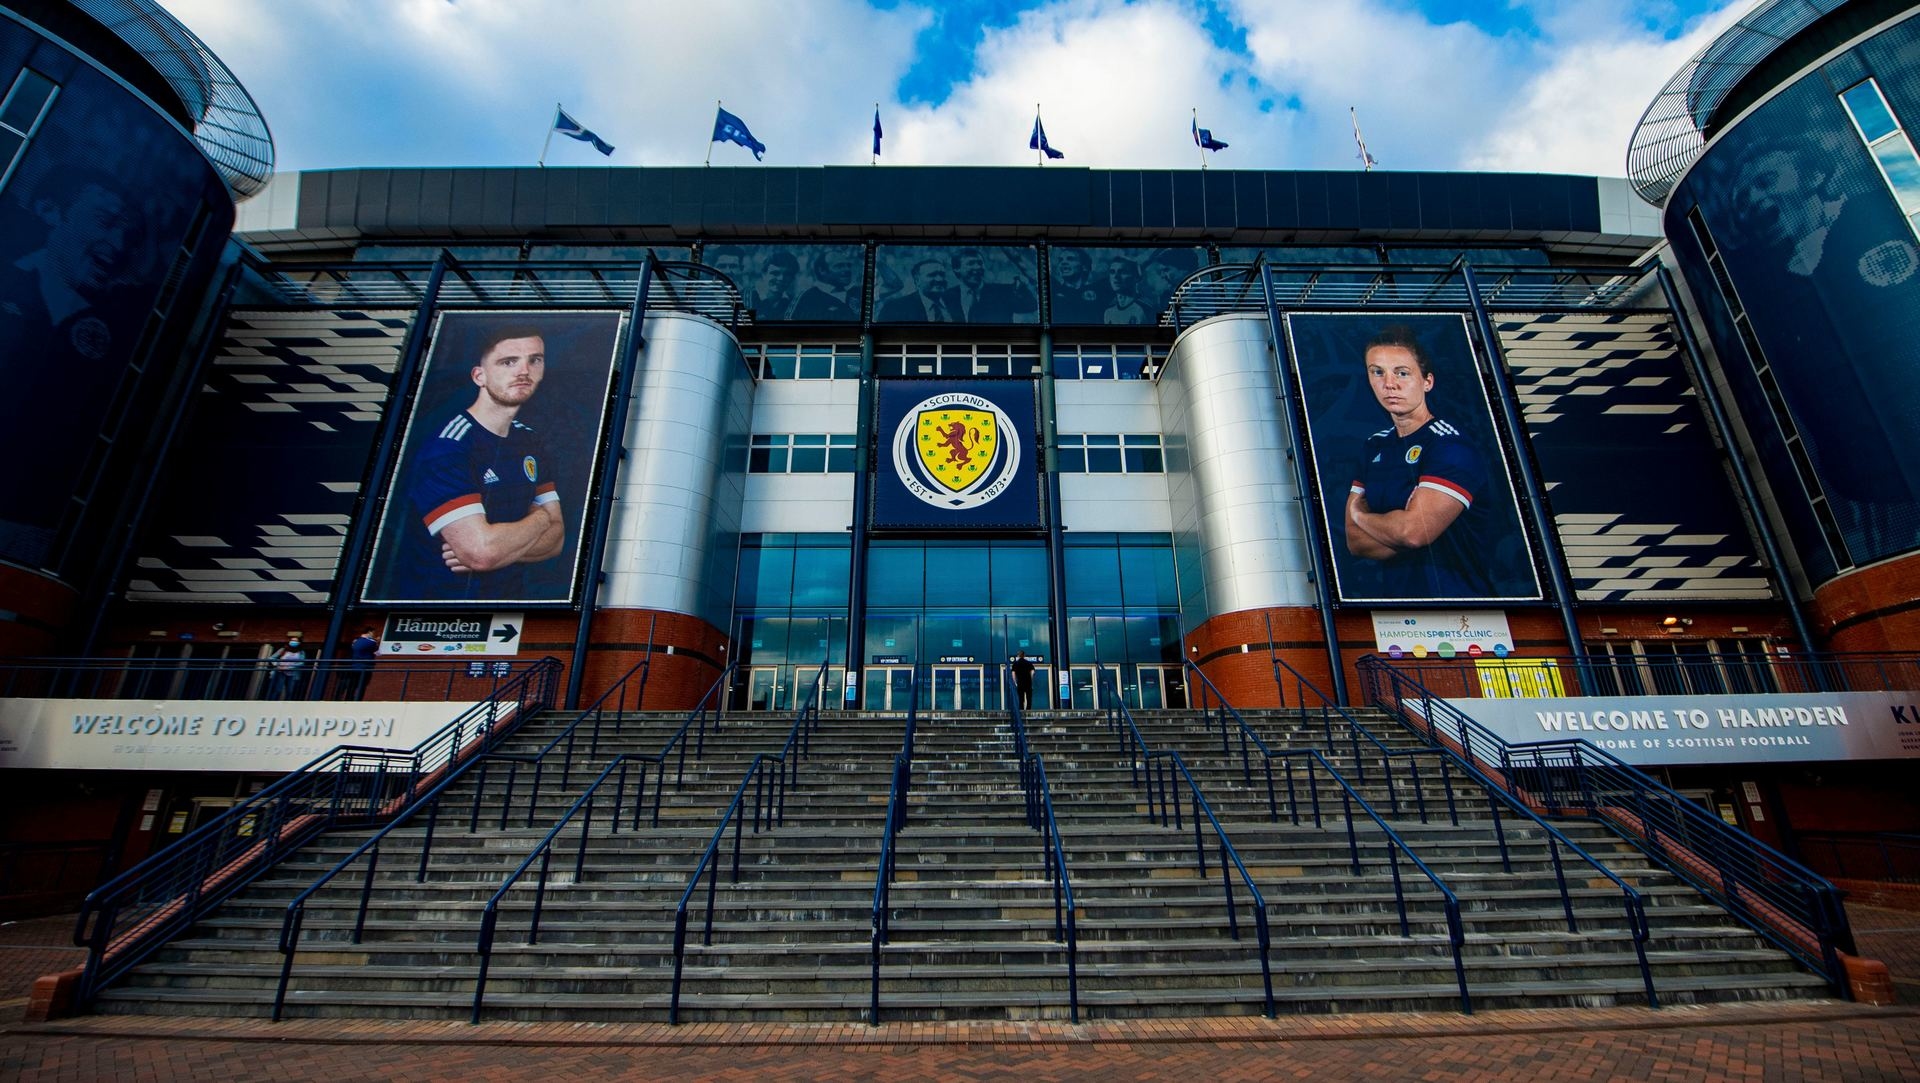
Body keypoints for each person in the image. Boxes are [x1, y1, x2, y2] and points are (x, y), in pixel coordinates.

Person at [0, 166, 147, 562]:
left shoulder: (126, 329)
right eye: (105, 222)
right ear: (51, 211)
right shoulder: (6, 280)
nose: (116, 245)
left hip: (36, 528)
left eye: (128, 236)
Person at [388, 324, 566, 600]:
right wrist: (541, 519)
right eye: (508, 362)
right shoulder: (449, 447)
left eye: (535, 360)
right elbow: (481, 553)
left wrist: (499, 550)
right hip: (437, 611)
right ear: (479, 375)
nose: (524, 371)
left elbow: (556, 541)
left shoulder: (529, 441)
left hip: (509, 603)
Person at [1342, 324, 1502, 598]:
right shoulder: (1374, 445)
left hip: (1465, 609)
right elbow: (1355, 541)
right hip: (1399, 613)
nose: (1389, 384)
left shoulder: (1449, 445)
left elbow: (1414, 532)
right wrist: (1398, 525)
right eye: (1377, 372)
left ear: (1427, 381)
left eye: (1402, 373)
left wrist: (1362, 515)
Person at [948, 248, 1036, 323]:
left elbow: (1031, 306)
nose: (977, 267)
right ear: (956, 268)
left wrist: (1022, 289)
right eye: (971, 263)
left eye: (980, 263)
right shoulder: (947, 297)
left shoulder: (1003, 292)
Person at [877, 259, 958, 322]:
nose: (939, 279)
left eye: (942, 275)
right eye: (932, 275)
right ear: (917, 280)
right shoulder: (895, 308)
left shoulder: (956, 303)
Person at [790, 248, 858, 321]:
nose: (847, 269)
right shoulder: (806, 297)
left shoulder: (857, 293)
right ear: (822, 270)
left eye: (848, 265)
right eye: (839, 266)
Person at [1101, 258, 1149, 325]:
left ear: (1136, 278)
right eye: (1112, 272)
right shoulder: (1108, 312)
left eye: (1123, 272)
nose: (1116, 276)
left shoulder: (1145, 310)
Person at [752, 251, 798, 320]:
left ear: (792, 278)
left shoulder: (794, 304)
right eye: (775, 273)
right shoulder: (747, 298)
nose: (781, 278)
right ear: (763, 274)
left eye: (787, 274)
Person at [341, 628, 379, 700]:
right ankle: (357, 699)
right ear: (369, 632)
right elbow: (377, 650)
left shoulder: (356, 641)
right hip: (364, 667)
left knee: (353, 685)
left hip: (354, 667)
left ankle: (349, 698)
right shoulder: (371, 642)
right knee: (362, 685)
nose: (374, 635)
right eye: (373, 633)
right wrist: (377, 641)